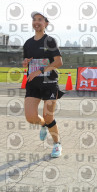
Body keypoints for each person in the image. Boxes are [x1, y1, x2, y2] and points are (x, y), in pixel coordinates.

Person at [22, 11, 63, 158]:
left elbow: (58, 62)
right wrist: (25, 63)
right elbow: (26, 62)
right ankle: (43, 125)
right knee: (30, 117)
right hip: (33, 84)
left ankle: (57, 144)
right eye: (34, 20)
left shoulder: (50, 41)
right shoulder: (28, 43)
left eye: (40, 19)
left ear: (46, 23)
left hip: (49, 83)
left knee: (48, 116)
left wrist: (39, 71)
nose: (36, 22)